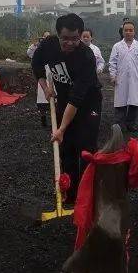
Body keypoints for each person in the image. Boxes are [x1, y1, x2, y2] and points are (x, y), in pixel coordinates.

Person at [32, 14, 102, 204]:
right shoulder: (48, 46)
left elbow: (77, 98)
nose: (69, 43)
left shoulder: (86, 57)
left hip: (88, 103)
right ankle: (70, 194)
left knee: (86, 148)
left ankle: (88, 195)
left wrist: (61, 129)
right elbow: (36, 65)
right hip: (63, 100)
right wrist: (46, 88)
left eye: (74, 39)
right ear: (58, 35)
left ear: (81, 36)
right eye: (65, 38)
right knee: (67, 148)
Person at [109, 21, 138, 132]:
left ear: (134, 32)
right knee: (120, 103)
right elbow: (112, 62)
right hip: (120, 79)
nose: (128, 32)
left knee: (133, 103)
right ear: (122, 32)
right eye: (126, 30)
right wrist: (113, 76)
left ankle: (130, 124)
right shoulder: (117, 46)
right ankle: (118, 125)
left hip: (135, 79)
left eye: (130, 30)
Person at [27, 31, 53, 128]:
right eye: (44, 37)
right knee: (42, 99)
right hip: (42, 76)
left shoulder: (54, 48)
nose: (46, 39)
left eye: (48, 37)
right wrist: (34, 45)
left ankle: (55, 118)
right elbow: (29, 53)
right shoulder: (38, 48)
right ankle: (43, 118)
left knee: (54, 99)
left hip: (52, 76)